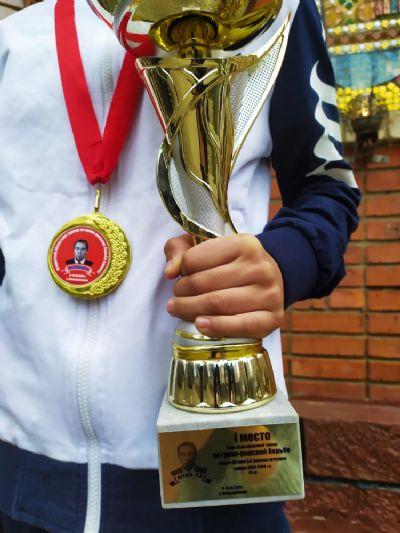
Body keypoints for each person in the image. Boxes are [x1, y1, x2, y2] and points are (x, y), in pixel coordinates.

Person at [0, 0, 360, 532]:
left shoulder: (269, 8)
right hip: (22, 466)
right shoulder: (15, 37)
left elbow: (326, 189)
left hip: (217, 457)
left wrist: (284, 262)